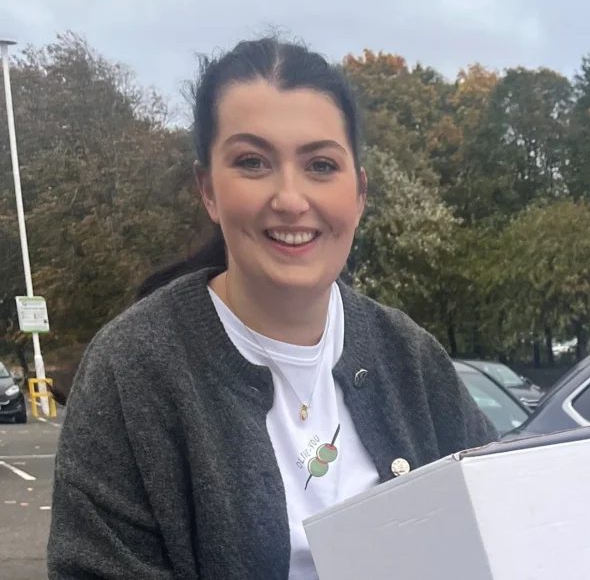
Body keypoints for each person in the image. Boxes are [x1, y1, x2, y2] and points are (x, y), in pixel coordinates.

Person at [46, 36, 498, 580]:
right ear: (208, 189)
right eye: (253, 162)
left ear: (359, 194)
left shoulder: (412, 360)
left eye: (321, 165)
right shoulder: (133, 372)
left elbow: (502, 529)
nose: (289, 198)